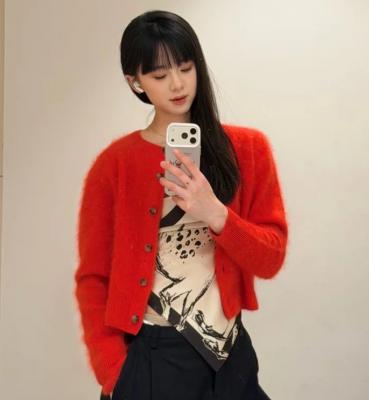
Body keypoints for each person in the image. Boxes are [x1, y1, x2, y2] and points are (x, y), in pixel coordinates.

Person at [74, 9, 288, 400]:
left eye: (186, 68)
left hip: (229, 353)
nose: (177, 83)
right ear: (135, 82)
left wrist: (217, 214)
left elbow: (270, 258)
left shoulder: (248, 150)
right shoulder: (114, 165)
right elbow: (94, 279)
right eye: (159, 75)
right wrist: (115, 374)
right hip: (154, 357)